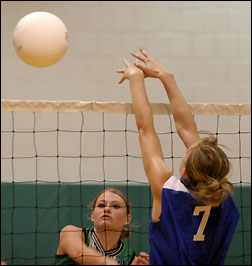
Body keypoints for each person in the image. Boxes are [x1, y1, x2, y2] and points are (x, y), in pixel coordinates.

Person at [116, 47, 240, 265]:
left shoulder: (167, 191)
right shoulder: (224, 196)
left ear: (185, 169)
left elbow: (146, 129)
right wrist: (166, 77)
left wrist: (136, 79)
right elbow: (186, 130)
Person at [54, 188, 149, 265]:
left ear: (127, 219)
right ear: (92, 216)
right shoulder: (71, 232)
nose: (107, 209)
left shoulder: (130, 258)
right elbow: (80, 253)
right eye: (101, 205)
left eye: (115, 206)